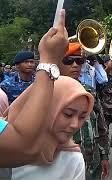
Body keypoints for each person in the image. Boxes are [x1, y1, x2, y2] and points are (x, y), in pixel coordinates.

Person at [0, 9, 68, 167]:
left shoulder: (37, 81)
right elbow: (24, 147)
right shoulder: (5, 86)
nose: (31, 64)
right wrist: (49, 61)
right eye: (26, 62)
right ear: (17, 66)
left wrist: (49, 66)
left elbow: (7, 119)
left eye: (33, 62)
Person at [3, 76, 94, 180]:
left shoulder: (73, 160)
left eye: (82, 117)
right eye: (68, 114)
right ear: (46, 109)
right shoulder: (7, 149)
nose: (75, 124)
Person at [58, 43, 110, 179]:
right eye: (69, 61)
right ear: (58, 63)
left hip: (93, 159)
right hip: (64, 160)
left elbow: (101, 125)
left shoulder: (88, 90)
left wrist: (104, 155)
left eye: (79, 61)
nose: (75, 65)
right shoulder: (49, 92)